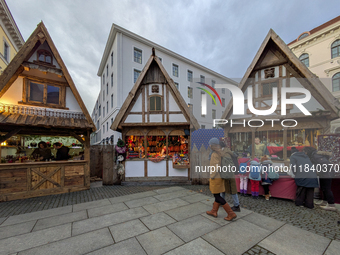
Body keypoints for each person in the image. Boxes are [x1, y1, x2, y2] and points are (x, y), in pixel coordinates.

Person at [206, 138, 237, 221]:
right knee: (217, 196)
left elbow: (216, 166)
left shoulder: (214, 154)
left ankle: (231, 213)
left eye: (210, 144)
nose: (209, 145)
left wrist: (212, 175)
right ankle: (214, 211)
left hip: (216, 177)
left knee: (217, 196)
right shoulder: (219, 152)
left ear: (213, 145)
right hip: (219, 176)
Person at [304, 146, 336, 211]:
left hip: (327, 174)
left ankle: (331, 204)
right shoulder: (314, 155)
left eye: (305, 152)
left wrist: (319, 171)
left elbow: (326, 164)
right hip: (323, 174)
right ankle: (325, 201)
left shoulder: (315, 156)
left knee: (327, 189)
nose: (305, 153)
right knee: (323, 188)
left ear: (308, 151)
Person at [219, 139, 241, 212]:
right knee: (223, 189)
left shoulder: (226, 153)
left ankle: (236, 205)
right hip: (225, 173)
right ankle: (221, 202)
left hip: (228, 174)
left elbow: (229, 164)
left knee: (232, 190)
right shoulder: (224, 151)